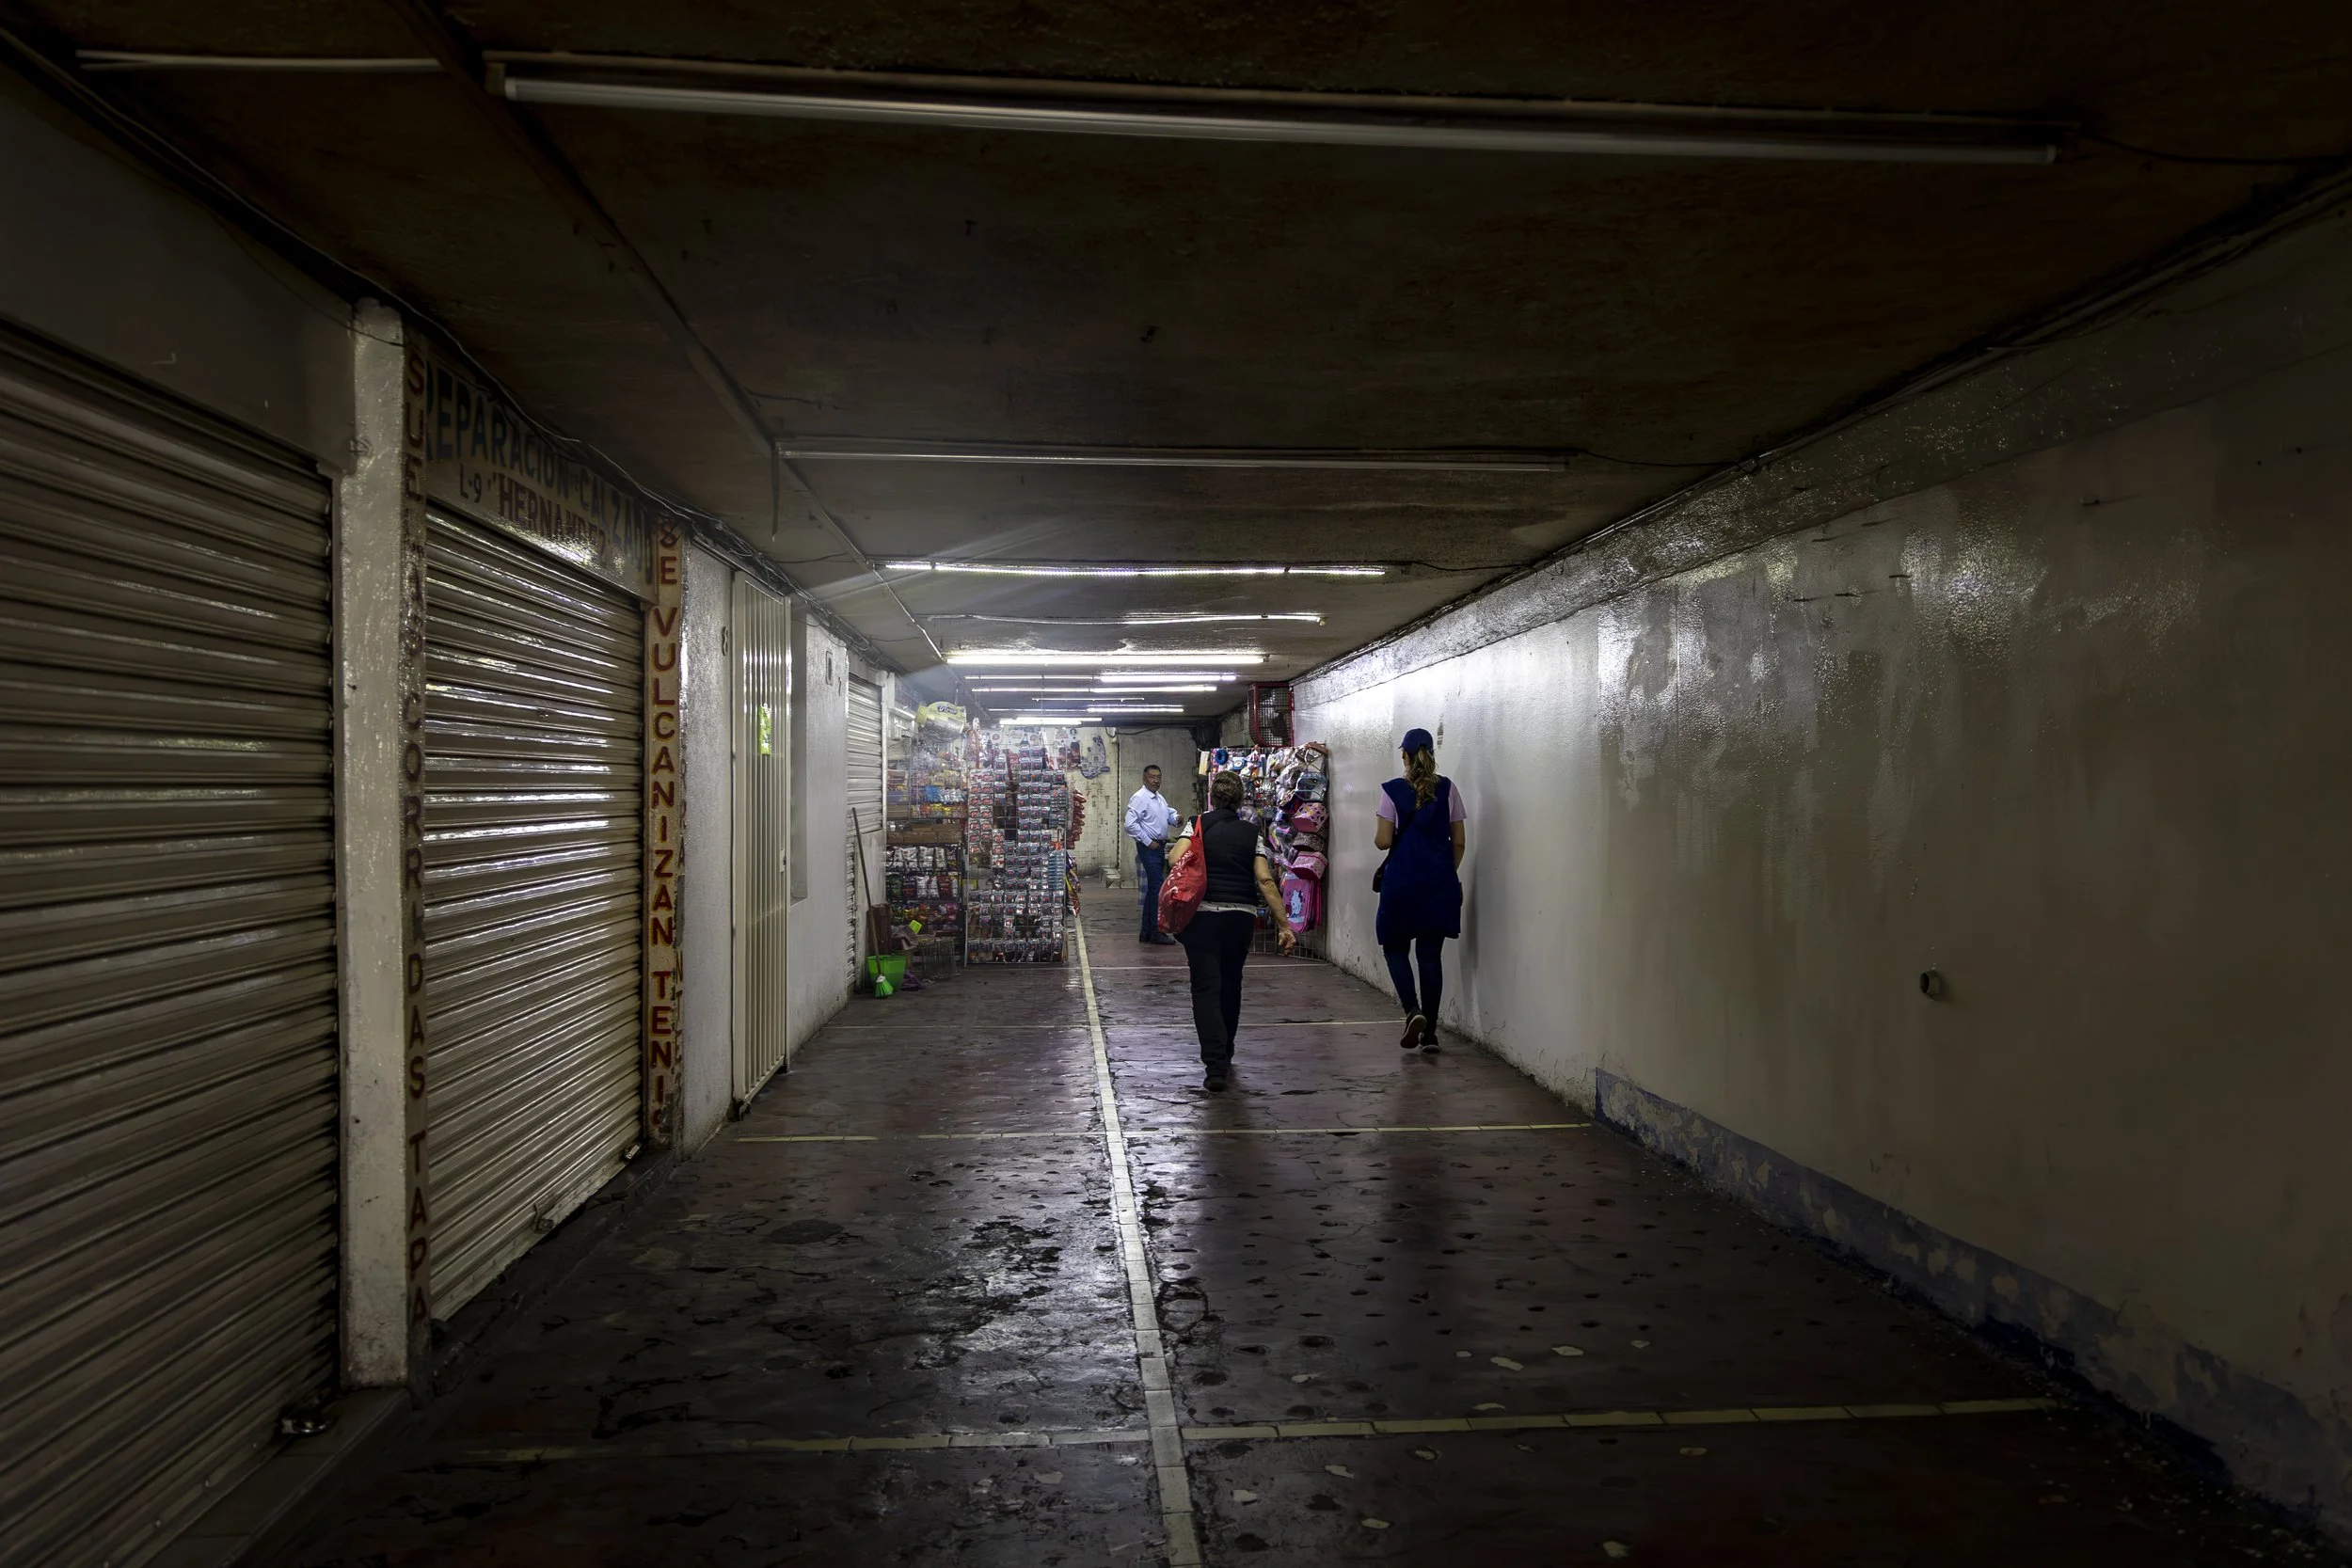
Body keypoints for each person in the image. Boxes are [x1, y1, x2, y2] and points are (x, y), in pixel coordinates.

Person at [1168, 771, 1296, 1090]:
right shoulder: (1252, 833)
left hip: (1202, 917)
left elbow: (1174, 858)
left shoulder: (1197, 824)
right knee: (1230, 983)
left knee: (1205, 988)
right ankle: (1226, 1052)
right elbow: (1265, 880)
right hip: (1240, 918)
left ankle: (1214, 1067)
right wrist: (1284, 925)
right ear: (1240, 801)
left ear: (1212, 798)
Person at [1375, 727, 1465, 1053]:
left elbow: (1383, 841)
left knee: (1395, 948)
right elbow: (1459, 842)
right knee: (1429, 955)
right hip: (1439, 884)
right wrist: (1445, 872)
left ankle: (1413, 1011)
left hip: (1401, 883)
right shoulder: (1449, 789)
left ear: (1405, 755)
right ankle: (1431, 1034)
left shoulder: (1392, 791)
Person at [1123, 763, 1181, 943]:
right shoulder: (1140, 798)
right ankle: (1157, 931)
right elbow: (1130, 825)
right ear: (1144, 778)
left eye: (1158, 777)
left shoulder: (1158, 798)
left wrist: (1176, 818)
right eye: (1152, 777)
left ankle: (1146, 932)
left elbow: (1167, 814)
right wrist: (1148, 842)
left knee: (1153, 889)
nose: (1156, 781)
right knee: (1157, 887)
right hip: (1149, 848)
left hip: (1158, 847)